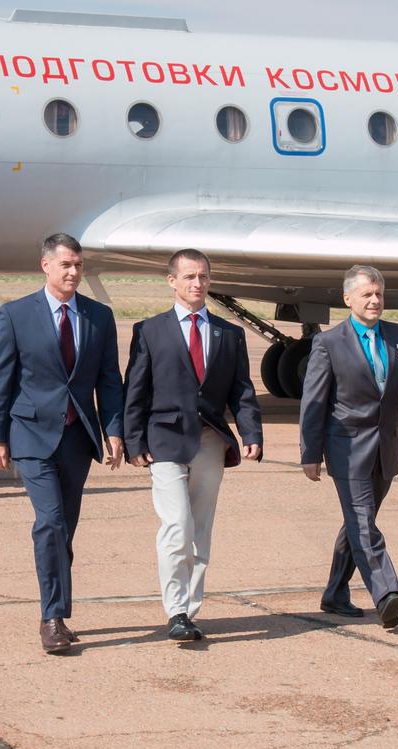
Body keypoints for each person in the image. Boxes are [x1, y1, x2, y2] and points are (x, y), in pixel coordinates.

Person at [0, 233, 125, 654]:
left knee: (65, 529)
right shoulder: (16, 314)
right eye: (66, 265)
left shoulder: (99, 316)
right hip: (30, 434)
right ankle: (53, 618)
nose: (73, 272)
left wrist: (114, 430)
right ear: (46, 266)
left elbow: (108, 380)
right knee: (51, 522)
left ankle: (55, 607)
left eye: (78, 265)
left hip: (77, 437)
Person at [123, 249, 263, 643]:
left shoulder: (229, 334)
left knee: (200, 529)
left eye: (203, 276)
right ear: (172, 281)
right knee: (177, 525)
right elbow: (135, 390)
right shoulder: (150, 331)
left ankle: (188, 610)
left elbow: (242, 390)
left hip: (210, 441)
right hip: (164, 440)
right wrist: (133, 440)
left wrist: (251, 433)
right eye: (189, 276)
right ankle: (176, 610)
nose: (197, 283)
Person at [299, 265, 398, 629]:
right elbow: (314, 402)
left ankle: (335, 593)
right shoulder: (328, 343)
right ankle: (386, 594)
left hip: (385, 447)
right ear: (348, 298)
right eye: (366, 294)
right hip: (346, 448)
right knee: (363, 522)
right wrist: (310, 453)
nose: (375, 300)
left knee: (359, 522)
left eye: (379, 293)